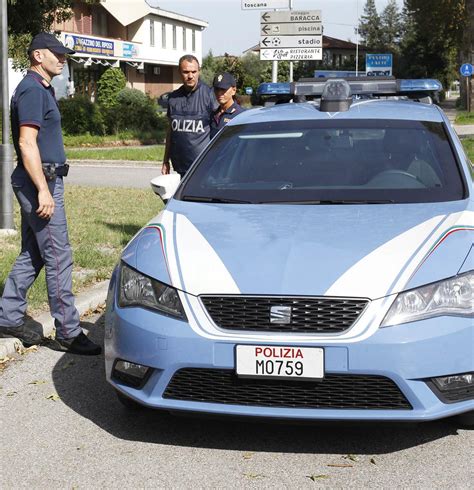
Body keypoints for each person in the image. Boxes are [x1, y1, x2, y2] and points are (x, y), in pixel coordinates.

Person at [0, 33, 101, 355]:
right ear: (37, 55)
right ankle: (69, 332)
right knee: (58, 255)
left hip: (43, 180)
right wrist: (44, 190)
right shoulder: (31, 89)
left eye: (64, 55)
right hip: (39, 182)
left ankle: (8, 315)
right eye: (57, 54)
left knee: (35, 253)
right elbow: (26, 143)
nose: (63, 59)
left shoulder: (40, 88)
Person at [162, 54, 218, 178]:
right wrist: (165, 160)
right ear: (179, 72)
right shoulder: (173, 98)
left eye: (194, 71)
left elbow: (219, 130)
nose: (190, 76)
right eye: (186, 72)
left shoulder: (210, 96)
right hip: (180, 167)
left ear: (199, 71)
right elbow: (170, 131)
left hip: (203, 167)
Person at [210, 72, 244, 139]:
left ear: (233, 90)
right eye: (217, 89)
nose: (219, 93)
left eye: (223, 89)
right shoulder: (212, 114)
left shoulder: (241, 115)